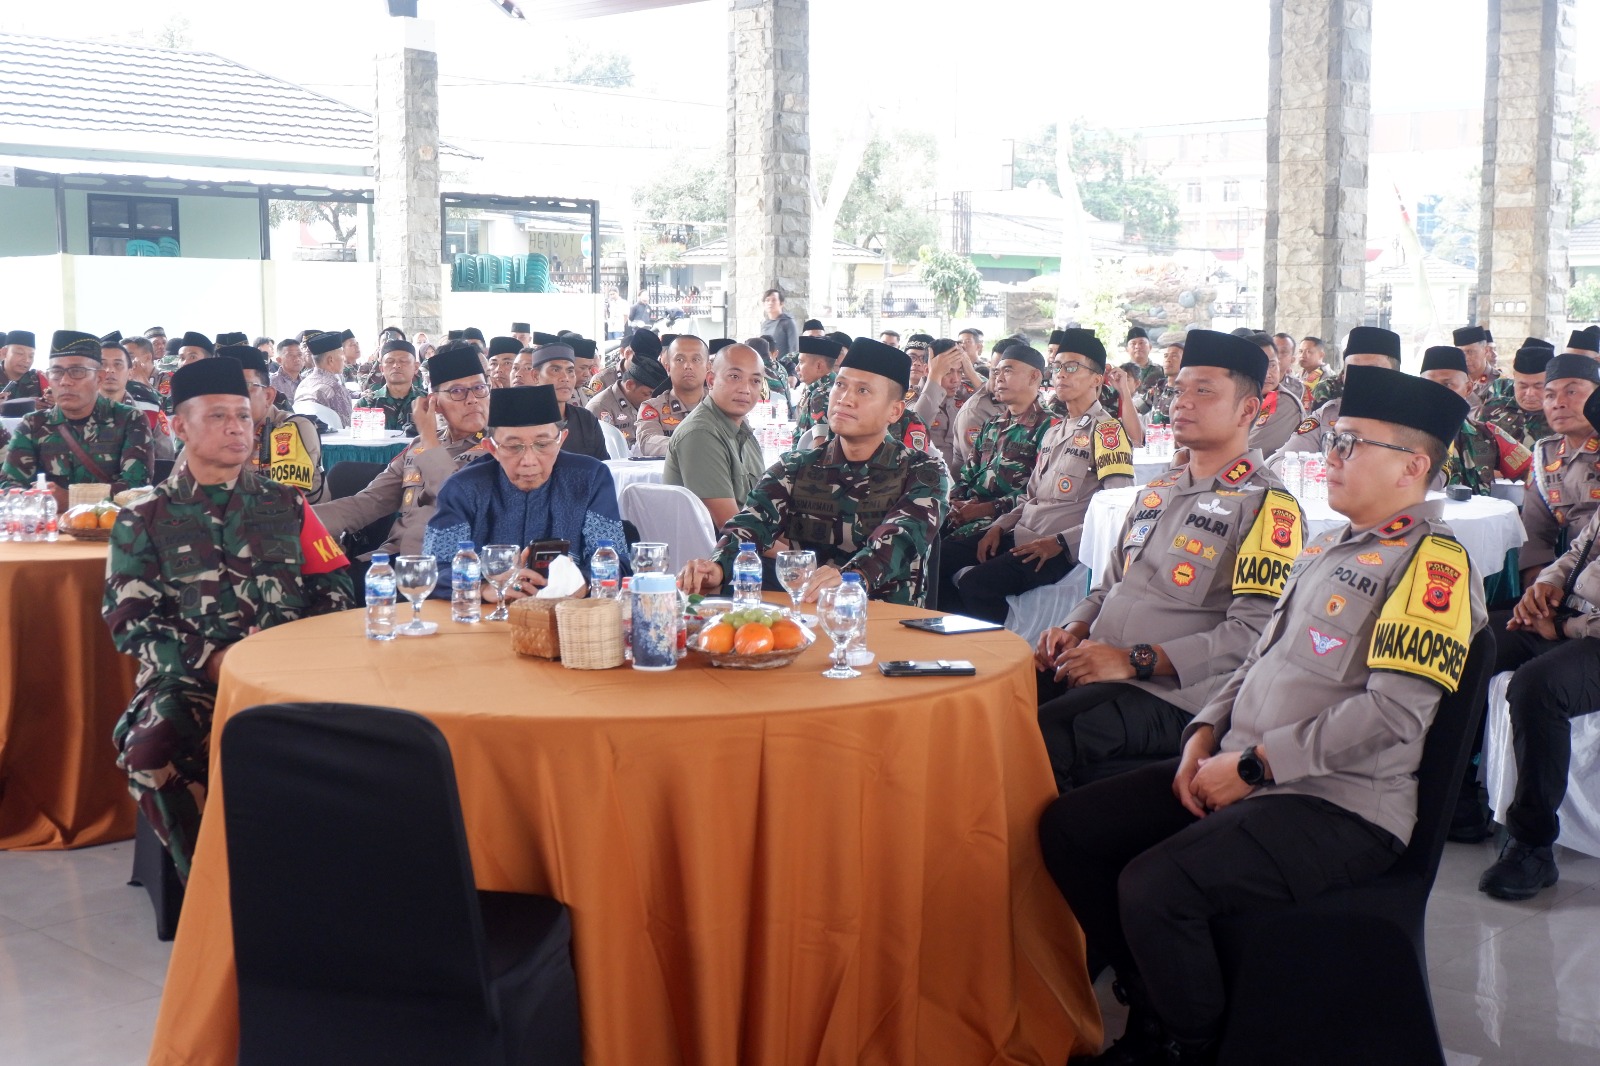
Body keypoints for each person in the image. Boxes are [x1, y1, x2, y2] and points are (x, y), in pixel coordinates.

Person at [1039, 364, 1483, 1064]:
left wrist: (1253, 765)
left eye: (1351, 445)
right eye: (1332, 442)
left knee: (1156, 886)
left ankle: (1192, 1044)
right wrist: (1202, 735)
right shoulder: (1327, 544)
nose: (1329, 458)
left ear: (1413, 468)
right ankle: (1156, 998)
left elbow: (1393, 716)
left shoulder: (1433, 567)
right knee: (1072, 827)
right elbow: (1255, 658)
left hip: (1337, 804)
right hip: (1237, 762)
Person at [105, 357, 354, 879]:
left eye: (243, 415)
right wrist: (212, 662)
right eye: (218, 416)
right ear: (179, 427)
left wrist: (301, 657)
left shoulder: (288, 505)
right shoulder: (143, 517)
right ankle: (211, 888)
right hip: (189, 681)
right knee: (151, 753)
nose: (237, 428)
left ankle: (327, 884)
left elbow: (334, 585)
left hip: (291, 679)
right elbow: (130, 620)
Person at [1033, 329, 1301, 792]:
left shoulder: (1265, 505)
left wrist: (1133, 660)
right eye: (1179, 390)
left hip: (1175, 694)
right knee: (996, 700)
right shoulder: (1157, 491)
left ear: (1248, 410)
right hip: (1099, 661)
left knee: (1042, 738)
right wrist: (1073, 628)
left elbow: (1253, 635)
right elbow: (1108, 586)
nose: (1182, 403)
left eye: (1203, 392)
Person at [677, 337, 949, 606]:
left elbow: (898, 539)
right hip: (808, 619)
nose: (845, 399)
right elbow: (749, 525)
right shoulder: (794, 467)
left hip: (889, 623)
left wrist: (850, 578)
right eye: (840, 385)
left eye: (863, 391)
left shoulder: (923, 473)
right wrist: (718, 566)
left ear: (895, 411)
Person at [1478, 384, 1600, 900]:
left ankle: (1531, 846)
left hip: (1588, 637)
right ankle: (1459, 799)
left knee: (1537, 687)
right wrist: (1546, 587)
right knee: (1474, 643)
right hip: (1571, 618)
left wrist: (1565, 627)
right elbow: (1577, 551)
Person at [952, 329, 1134, 623]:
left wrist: (1061, 542)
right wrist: (998, 526)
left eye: (1072, 367)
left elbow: (1119, 510)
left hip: (1056, 549)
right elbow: (1030, 495)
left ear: (1096, 379)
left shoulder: (1107, 432)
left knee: (976, 585)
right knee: (942, 559)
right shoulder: (1054, 431)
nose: (1061, 374)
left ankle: (1011, 656)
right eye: (1058, 366)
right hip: (1022, 532)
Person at [425, 384, 629, 593]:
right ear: (492, 448)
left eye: (543, 444)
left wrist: (582, 584)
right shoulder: (463, 488)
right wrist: (483, 588)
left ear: (561, 440)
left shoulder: (590, 479)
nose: (529, 461)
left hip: (567, 617)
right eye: (514, 447)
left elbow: (615, 561)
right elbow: (433, 569)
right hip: (486, 617)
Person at [316, 344, 491, 566]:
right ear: (434, 402)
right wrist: (296, 520)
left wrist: (428, 437)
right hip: (391, 559)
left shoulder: (497, 448)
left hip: (445, 568)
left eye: (479, 388)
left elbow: (455, 497)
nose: (472, 399)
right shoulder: (419, 446)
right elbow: (367, 503)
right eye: (457, 391)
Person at [1, 330, 155, 503]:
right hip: (49, 526)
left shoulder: (130, 420)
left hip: (112, 527)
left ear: (99, 378)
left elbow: (137, 487)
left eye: (77, 371)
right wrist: (41, 498)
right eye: (57, 372)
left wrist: (71, 499)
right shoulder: (33, 424)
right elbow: (9, 486)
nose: (65, 381)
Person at [939, 344, 1052, 554]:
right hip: (966, 514)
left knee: (943, 556)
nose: (999, 378)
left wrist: (983, 509)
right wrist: (955, 502)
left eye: (1008, 370)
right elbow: (967, 474)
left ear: (1034, 377)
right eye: (997, 372)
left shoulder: (1051, 428)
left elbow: (1039, 494)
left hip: (1006, 523)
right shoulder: (992, 424)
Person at [662, 342, 770, 527]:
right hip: (726, 552)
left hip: (754, 542)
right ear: (711, 381)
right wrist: (800, 555)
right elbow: (733, 528)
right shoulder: (701, 434)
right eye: (735, 377)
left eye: (755, 381)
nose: (745, 389)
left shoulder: (743, 430)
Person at [1519, 352, 1600, 583]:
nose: (1558, 403)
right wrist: (1537, 597)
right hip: (1564, 579)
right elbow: (1535, 535)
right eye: (1550, 395)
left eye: (1572, 391)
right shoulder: (1546, 455)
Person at [211, 345, 328, 503]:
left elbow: (283, 503)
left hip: (297, 523)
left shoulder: (292, 428)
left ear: (268, 396)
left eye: (244, 387)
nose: (231, 397)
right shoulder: (210, 432)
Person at [1269, 326, 1404, 459]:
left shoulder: (1410, 422)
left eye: (1373, 370)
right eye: (1353, 369)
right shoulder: (1327, 414)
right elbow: (1279, 461)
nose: (1362, 376)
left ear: (1395, 375)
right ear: (1344, 376)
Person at [1420, 346, 1530, 494]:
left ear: (1468, 389)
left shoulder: (1488, 435)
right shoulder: (1403, 437)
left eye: (1447, 385)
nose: (1437, 392)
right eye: (1430, 384)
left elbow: (1533, 471)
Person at [525, 342, 608, 461]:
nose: (565, 378)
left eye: (570, 371)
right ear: (536, 376)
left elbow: (604, 467)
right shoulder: (520, 422)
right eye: (555, 370)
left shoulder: (586, 420)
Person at [99, 334, 174, 462]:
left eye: (118, 364)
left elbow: (165, 458)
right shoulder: (79, 407)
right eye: (102, 364)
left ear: (129, 371)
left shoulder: (149, 406)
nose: (110, 370)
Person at [634, 335, 709, 458]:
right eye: (680, 360)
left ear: (708, 367)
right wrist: (692, 448)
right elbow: (647, 441)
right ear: (668, 367)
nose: (688, 366)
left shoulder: (722, 405)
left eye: (696, 359)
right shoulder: (653, 408)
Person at [1481, 343, 1556, 450]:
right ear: (1514, 379)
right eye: (1523, 386)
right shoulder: (1493, 408)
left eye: (1538, 386)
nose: (1530, 393)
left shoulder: (1562, 416)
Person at [587, 350, 666, 447]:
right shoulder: (601, 407)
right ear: (630, 385)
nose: (651, 400)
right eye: (648, 394)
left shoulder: (646, 404)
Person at [909, 339, 966, 471]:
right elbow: (917, 423)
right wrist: (935, 375)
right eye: (948, 371)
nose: (956, 379)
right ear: (927, 370)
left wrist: (971, 372)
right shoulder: (910, 397)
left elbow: (994, 399)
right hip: (926, 480)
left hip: (959, 483)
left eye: (960, 371)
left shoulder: (963, 397)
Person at [1246, 332, 1305, 455]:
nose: (1268, 374)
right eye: (1259, 366)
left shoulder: (1284, 403)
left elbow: (1249, 450)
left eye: (1272, 365)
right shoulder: (1244, 398)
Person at [356, 340, 424, 433]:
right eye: (390, 361)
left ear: (416, 367)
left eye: (403, 361)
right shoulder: (367, 404)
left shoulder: (428, 402)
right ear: (382, 369)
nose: (396, 365)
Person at [294, 331, 354, 428]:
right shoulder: (335, 389)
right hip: (333, 441)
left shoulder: (302, 384)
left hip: (307, 439)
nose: (344, 360)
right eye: (342, 356)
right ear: (330, 360)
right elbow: (347, 427)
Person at [792, 335, 843, 434]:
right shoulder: (825, 387)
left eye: (801, 362)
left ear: (819, 365)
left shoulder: (821, 395)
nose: (796, 368)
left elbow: (819, 445)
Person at [1453, 324, 1497, 408]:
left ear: (1486, 351)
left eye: (1470, 352)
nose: (1465, 358)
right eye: (1461, 353)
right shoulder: (1453, 382)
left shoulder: (1501, 383)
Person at [0, 330, 43, 404]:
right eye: (20, 353)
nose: (27, 360)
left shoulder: (39, 379)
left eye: (31, 356)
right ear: (4, 353)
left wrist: (53, 403)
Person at [759, 288, 799, 362]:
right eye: (767, 300)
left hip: (784, 367)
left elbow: (794, 350)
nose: (770, 303)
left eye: (774, 300)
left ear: (781, 303)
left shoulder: (788, 322)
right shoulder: (764, 324)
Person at [1295, 335, 1329, 409]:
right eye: (1300, 351)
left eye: (1309, 352)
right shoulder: (1299, 375)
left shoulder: (1327, 378)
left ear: (1321, 355)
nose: (1302, 355)